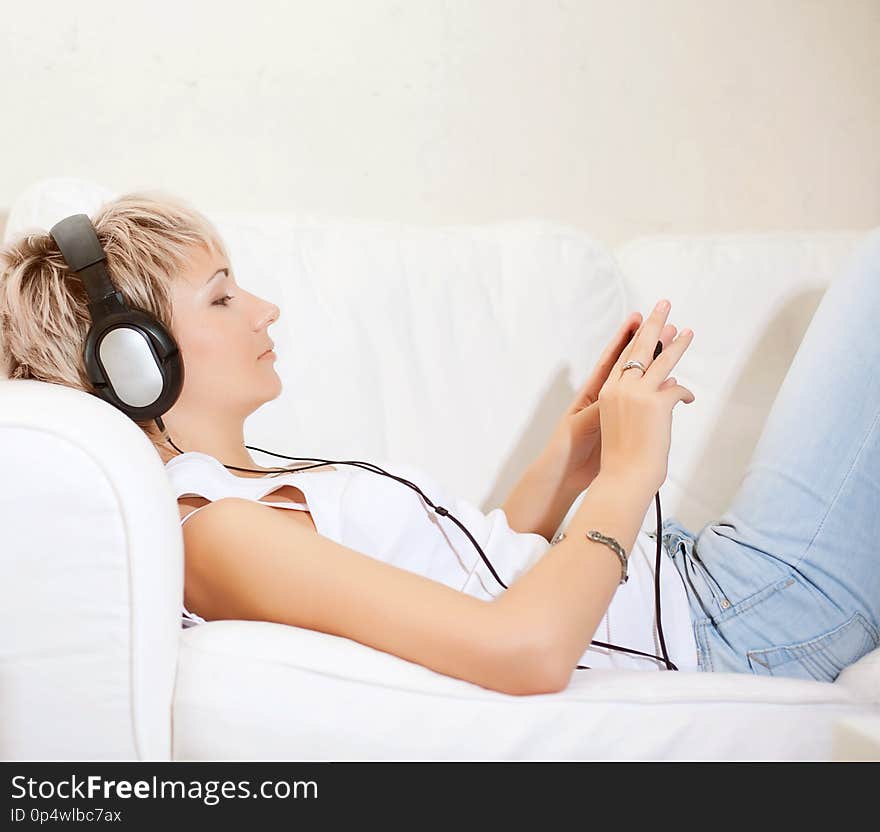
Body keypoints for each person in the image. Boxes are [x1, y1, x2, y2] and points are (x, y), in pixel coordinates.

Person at [1, 193, 877, 694]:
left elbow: (473, 574)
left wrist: (572, 457)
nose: (266, 310)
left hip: (702, 591)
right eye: (224, 297)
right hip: (735, 623)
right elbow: (522, 651)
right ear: (135, 361)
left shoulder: (245, 493)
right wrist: (628, 475)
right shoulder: (216, 529)